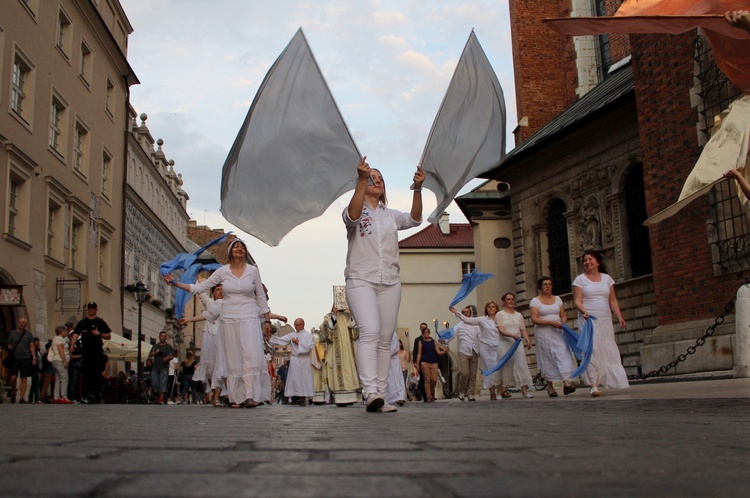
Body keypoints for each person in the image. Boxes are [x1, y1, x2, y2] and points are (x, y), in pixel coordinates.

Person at [343, 157, 424, 412]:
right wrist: (360, 180)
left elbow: (415, 219)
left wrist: (418, 189)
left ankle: (379, 394)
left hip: (390, 280)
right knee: (370, 331)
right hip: (361, 278)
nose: (376, 181)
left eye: (380, 179)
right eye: (372, 178)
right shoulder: (355, 208)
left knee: (385, 338)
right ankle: (369, 391)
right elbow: (353, 216)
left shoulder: (391, 216)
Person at [165, 238, 272, 409]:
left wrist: (267, 320)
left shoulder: (253, 271)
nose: (239, 248)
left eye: (242, 246)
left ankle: (251, 395)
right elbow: (200, 288)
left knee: (250, 355)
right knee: (234, 357)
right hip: (229, 318)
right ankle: (237, 397)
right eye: (235, 246)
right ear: (230, 252)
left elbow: (260, 296)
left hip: (249, 316)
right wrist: (176, 283)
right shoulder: (222, 272)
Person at [573, 250, 629, 397]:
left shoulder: (607, 279)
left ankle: (609, 380)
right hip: (589, 319)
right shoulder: (580, 280)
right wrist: (584, 311)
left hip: (605, 318)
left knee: (605, 347)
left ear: (597, 262)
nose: (587, 262)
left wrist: (619, 316)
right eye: (585, 260)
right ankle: (593, 385)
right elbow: (577, 300)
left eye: (590, 259)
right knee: (592, 349)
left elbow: (612, 300)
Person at [450, 301, 520, 400]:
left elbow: (506, 329)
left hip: (497, 346)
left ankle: (500, 391)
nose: (491, 308)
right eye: (489, 307)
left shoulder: (500, 319)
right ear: (486, 309)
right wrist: (456, 312)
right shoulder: (482, 320)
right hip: (485, 348)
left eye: (493, 307)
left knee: (500, 369)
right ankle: (491, 392)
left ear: (496, 309)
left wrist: (514, 336)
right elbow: (467, 321)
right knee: (487, 370)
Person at [530, 276, 577, 397]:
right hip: (544, 333)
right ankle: (550, 387)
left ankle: (566, 384)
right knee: (548, 358)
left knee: (562, 354)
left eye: (549, 284)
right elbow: (534, 319)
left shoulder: (557, 299)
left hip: (558, 332)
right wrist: (550, 322)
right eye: (545, 284)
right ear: (540, 287)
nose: (547, 286)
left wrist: (563, 321)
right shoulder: (535, 301)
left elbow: (563, 314)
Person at [319, 305, 361, 406]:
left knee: (350, 370)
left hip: (349, 351)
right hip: (336, 350)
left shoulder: (348, 316)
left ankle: (352, 397)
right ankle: (341, 399)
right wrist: (334, 315)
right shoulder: (329, 316)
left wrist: (352, 314)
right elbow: (326, 329)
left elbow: (355, 329)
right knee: (339, 372)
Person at [269, 318, 314, 406]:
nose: (295, 327)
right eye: (295, 325)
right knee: (294, 379)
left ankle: (302, 398)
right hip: (295, 360)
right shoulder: (292, 334)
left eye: (297, 325)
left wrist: (298, 344)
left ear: (302, 325)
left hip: (304, 360)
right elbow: (282, 340)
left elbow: (309, 347)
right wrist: (270, 337)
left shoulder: (308, 335)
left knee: (303, 379)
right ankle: (294, 397)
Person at [497, 293, 535, 399]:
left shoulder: (518, 315)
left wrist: (527, 339)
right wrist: (511, 335)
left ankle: (524, 390)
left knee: (521, 364)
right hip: (505, 342)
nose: (510, 301)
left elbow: (522, 329)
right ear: (504, 301)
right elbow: (501, 329)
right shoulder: (500, 314)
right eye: (508, 299)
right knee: (504, 365)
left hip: (517, 342)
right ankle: (501, 391)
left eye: (512, 299)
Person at [74, 302, 112, 404]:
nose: (91, 310)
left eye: (92, 308)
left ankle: (95, 394)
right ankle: (85, 395)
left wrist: (99, 334)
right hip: (86, 352)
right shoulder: (83, 322)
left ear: (96, 309)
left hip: (97, 352)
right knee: (86, 373)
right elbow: (76, 333)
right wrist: (71, 345)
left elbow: (108, 335)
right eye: (89, 308)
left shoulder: (100, 322)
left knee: (96, 373)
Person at [452, 306, 481, 402]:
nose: (465, 314)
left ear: (470, 314)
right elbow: (452, 333)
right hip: (464, 351)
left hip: (474, 350)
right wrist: (445, 340)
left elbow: (480, 336)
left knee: (473, 374)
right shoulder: (459, 325)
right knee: (464, 373)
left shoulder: (476, 325)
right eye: (463, 312)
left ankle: (471, 393)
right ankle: (462, 391)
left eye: (467, 312)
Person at [415, 327, 449, 402]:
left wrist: (445, 351)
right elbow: (419, 353)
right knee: (427, 380)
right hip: (425, 362)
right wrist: (417, 364)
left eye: (427, 332)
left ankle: (431, 392)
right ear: (423, 334)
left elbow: (438, 352)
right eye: (425, 332)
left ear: (429, 333)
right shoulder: (421, 342)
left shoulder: (434, 342)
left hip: (434, 362)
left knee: (434, 379)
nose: (426, 334)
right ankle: (429, 396)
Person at [7, 318, 36, 404]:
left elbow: (32, 346)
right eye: (20, 322)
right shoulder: (12, 333)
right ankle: (13, 392)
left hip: (25, 358)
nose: (21, 324)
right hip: (15, 358)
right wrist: (9, 347)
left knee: (24, 378)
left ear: (25, 324)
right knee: (13, 377)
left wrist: (34, 357)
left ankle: (22, 398)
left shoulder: (29, 334)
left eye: (23, 323)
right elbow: (9, 343)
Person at [148, 331, 175, 404]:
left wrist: (168, 358)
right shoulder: (155, 346)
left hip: (164, 367)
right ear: (159, 337)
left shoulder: (168, 346)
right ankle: (157, 395)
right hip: (155, 367)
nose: (163, 337)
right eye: (161, 336)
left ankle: (161, 399)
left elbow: (172, 355)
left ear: (166, 337)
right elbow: (150, 355)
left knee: (163, 383)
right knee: (154, 383)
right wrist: (155, 353)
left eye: (164, 336)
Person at [51, 325, 72, 403]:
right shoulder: (59, 339)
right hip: (60, 360)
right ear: (61, 331)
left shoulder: (56, 338)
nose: (66, 332)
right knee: (64, 378)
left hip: (56, 360)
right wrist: (64, 361)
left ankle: (56, 396)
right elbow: (61, 350)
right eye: (65, 331)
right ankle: (64, 396)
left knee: (58, 378)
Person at [65, 317, 82, 402]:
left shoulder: (78, 345)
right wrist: (79, 356)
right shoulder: (69, 345)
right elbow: (70, 356)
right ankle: (71, 396)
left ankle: (75, 396)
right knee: (73, 381)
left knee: (76, 382)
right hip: (73, 365)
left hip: (77, 365)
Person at [412, 323, 429, 402]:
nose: (423, 329)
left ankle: (430, 394)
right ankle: (425, 396)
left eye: (424, 327)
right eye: (422, 327)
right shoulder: (418, 339)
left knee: (430, 379)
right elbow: (415, 351)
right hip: (421, 361)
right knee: (422, 379)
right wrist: (415, 362)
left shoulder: (430, 339)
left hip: (429, 360)